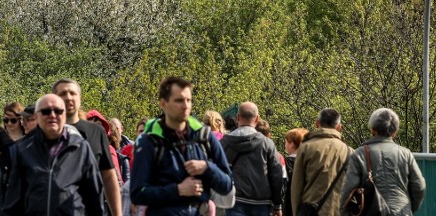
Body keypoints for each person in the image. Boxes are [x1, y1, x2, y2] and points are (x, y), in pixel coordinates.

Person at [129, 76, 233, 216]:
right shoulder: (150, 141)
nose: (186, 106)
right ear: (163, 103)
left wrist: (208, 168)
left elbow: (227, 185)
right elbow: (137, 193)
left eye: (188, 100)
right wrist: (178, 190)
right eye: (179, 100)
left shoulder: (204, 136)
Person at [2, 94, 107, 216]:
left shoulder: (80, 147)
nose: (52, 115)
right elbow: (12, 202)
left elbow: (95, 198)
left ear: (64, 115)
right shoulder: (23, 149)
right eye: (46, 111)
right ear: (37, 116)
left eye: (58, 111)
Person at [54, 79, 123, 216]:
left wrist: (117, 214)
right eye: (63, 93)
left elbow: (109, 176)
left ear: (79, 98)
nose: (68, 97)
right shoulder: (47, 133)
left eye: (72, 93)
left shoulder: (96, 132)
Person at [339, 109, 424, 216]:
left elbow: (348, 189)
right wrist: (409, 208)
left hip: (371, 212)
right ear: (395, 132)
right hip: (401, 211)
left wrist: (344, 213)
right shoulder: (405, 154)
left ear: (373, 129)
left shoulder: (360, 154)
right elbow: (419, 186)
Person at [221, 102, 283, 216]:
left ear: (238, 117)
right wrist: (277, 204)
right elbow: (276, 174)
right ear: (257, 119)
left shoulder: (225, 142)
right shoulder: (267, 144)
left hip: (234, 200)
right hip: (261, 202)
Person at [291, 108, 352, 216]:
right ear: (339, 127)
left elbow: (297, 186)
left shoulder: (306, 148)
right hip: (338, 211)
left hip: (311, 210)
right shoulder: (349, 151)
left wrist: (297, 212)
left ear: (317, 123)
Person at [283, 129, 309, 216]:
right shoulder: (309, 163)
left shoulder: (286, 162)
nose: (285, 145)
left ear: (292, 144)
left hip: (288, 205)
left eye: (286, 142)